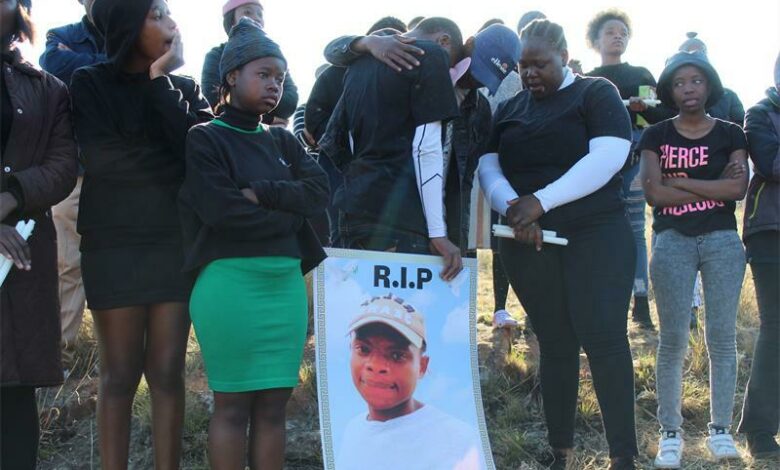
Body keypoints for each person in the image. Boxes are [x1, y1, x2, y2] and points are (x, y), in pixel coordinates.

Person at [478, 19, 638, 470]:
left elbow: (609, 155)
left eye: (540, 64)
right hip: (527, 241)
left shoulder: (596, 93)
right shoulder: (510, 108)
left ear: (564, 57)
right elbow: (488, 166)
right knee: (554, 341)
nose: (530, 73)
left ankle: (623, 456)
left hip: (596, 234)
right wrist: (515, 209)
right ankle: (560, 452)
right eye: (523, 66)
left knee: (604, 339)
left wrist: (541, 202)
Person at [69, 0, 213, 468]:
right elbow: (106, 162)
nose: (172, 23)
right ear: (129, 23)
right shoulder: (89, 83)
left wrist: (159, 80)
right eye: (157, 14)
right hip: (113, 245)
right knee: (120, 375)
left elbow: (201, 157)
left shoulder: (183, 88)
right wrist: (166, 162)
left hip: (174, 244)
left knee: (168, 372)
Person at [180, 18, 328, 469]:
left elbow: (319, 192)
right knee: (231, 408)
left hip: (284, 290)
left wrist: (263, 192)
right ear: (231, 76)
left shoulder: (283, 139)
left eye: (280, 77)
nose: (274, 85)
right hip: (230, 288)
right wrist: (290, 215)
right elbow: (223, 213)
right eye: (264, 74)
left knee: (273, 410)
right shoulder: (205, 137)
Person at [638, 50, 749, 468]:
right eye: (680, 82)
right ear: (670, 90)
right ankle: (671, 433)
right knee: (672, 340)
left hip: (722, 241)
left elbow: (737, 190)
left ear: (709, 86)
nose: (688, 88)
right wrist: (712, 183)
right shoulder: (656, 135)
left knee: (721, 339)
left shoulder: (731, 134)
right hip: (671, 241)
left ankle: (721, 431)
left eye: (696, 80)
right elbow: (654, 194)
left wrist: (682, 183)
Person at [319, 17, 465, 281]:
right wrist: (438, 233)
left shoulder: (362, 58)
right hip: (401, 217)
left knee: (359, 303)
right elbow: (426, 148)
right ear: (444, 41)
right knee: (397, 306)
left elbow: (342, 141)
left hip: (353, 207)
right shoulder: (432, 55)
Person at [0, 0, 79, 467]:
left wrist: (12, 197)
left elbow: (64, 164)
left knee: (14, 392)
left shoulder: (48, 88)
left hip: (21, 257)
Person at [585, 9, 675, 330]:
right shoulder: (587, 79)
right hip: (597, 165)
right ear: (595, 40)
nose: (617, 37)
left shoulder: (640, 75)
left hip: (635, 161)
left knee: (635, 230)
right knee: (598, 230)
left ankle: (641, 304)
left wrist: (642, 109)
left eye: (623, 32)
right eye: (610, 32)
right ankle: (602, 302)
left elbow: (661, 117)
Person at [337, 295, 484, 470]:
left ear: (422, 366)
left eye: (396, 355)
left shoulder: (457, 440)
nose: (375, 366)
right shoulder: (353, 430)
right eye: (363, 349)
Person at [38, 0, 104, 367]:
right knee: (67, 262)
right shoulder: (60, 35)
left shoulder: (136, 35)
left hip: (123, 171)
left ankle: (119, 350)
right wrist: (116, 65)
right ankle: (59, 354)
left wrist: (87, 65)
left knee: (121, 260)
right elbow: (53, 67)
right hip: (75, 168)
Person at [305, 17, 409, 245]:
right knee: (339, 231)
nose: (388, 44)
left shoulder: (404, 75)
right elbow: (313, 117)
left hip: (386, 173)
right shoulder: (335, 73)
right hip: (337, 169)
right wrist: (343, 144)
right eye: (381, 39)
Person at [736, 52, 780, 460]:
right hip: (771, 231)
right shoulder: (761, 113)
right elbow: (772, 164)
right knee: (776, 327)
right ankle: (760, 430)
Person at [201, 0, 298, 125]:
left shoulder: (274, 58)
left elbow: (289, 103)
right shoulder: (216, 55)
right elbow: (213, 100)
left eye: (260, 14)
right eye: (247, 12)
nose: (256, 18)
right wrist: (267, 120)